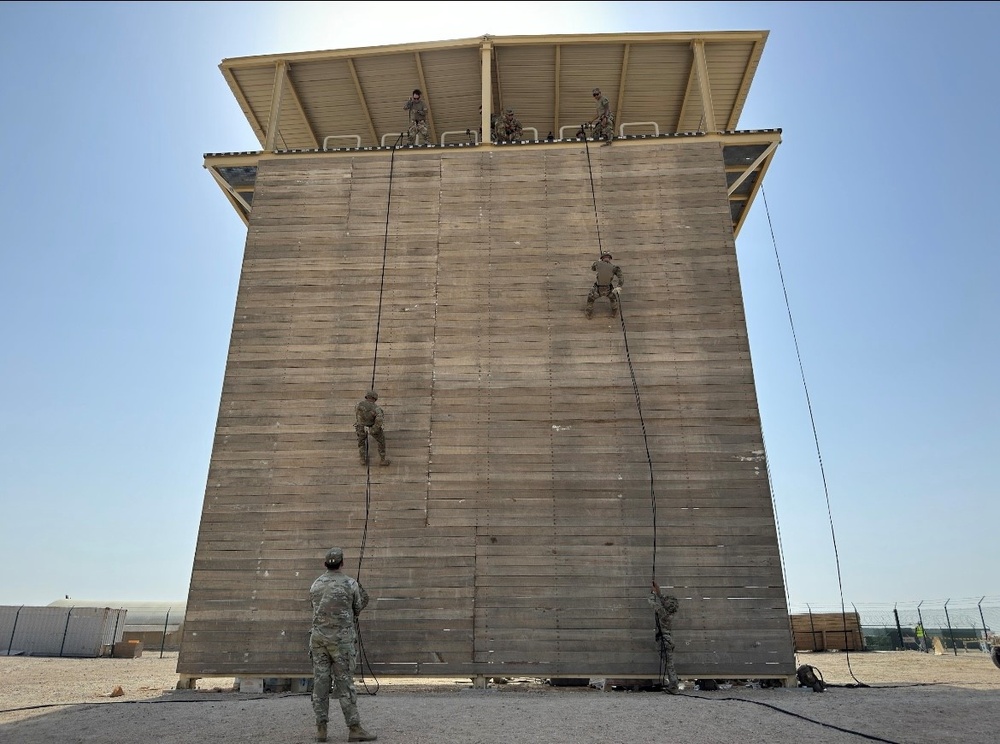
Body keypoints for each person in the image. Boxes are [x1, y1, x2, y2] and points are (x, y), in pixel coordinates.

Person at [309, 547, 377, 742]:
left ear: (325, 564)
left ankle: (321, 729)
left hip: (319, 640)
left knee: (320, 683)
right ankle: (354, 728)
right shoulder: (350, 583)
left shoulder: (315, 585)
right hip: (342, 642)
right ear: (342, 563)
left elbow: (314, 608)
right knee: (345, 683)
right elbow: (358, 606)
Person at [648, 581, 680, 694]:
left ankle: (674, 686)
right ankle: (673, 684)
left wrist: (652, 593)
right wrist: (658, 592)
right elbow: (664, 602)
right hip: (668, 639)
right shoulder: (669, 612)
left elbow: (651, 603)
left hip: (664, 640)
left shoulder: (662, 612)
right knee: (669, 663)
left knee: (669, 664)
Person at [355, 390, 390, 466]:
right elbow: (379, 421)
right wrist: (373, 430)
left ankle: (362, 459)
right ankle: (382, 460)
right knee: (381, 441)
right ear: (375, 398)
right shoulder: (377, 409)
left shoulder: (358, 405)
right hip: (372, 426)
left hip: (361, 426)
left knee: (361, 442)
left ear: (366, 397)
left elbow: (357, 415)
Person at [586, 251, 624, 319]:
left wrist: (598, 262)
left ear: (602, 258)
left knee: (590, 299)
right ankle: (614, 312)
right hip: (608, 289)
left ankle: (589, 313)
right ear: (610, 258)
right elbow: (621, 277)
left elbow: (593, 268)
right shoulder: (614, 267)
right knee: (613, 299)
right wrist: (619, 286)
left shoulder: (597, 264)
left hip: (598, 289)